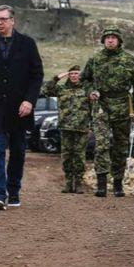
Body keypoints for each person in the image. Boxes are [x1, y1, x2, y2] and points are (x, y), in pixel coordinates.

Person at [0, 5, 44, 210]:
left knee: (18, 150)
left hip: (20, 108)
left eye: (3, 19)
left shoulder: (28, 44)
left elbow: (36, 75)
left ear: (13, 21)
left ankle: (13, 190)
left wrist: (30, 100)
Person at [80, 26, 134, 197]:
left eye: (113, 37)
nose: (110, 40)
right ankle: (101, 184)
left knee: (121, 146)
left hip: (122, 106)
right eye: (107, 37)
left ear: (119, 40)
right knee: (102, 144)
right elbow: (84, 80)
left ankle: (118, 183)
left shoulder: (129, 60)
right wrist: (90, 91)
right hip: (101, 106)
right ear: (103, 40)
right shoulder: (95, 60)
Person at [42, 65, 91, 194]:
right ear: (68, 75)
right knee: (67, 155)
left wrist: (91, 124)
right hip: (66, 127)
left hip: (82, 128)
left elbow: (94, 106)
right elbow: (45, 90)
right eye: (72, 74)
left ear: (80, 75)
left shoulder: (86, 89)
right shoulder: (61, 89)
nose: (74, 76)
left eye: (76, 73)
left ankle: (79, 183)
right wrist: (57, 77)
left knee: (79, 156)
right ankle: (69, 183)